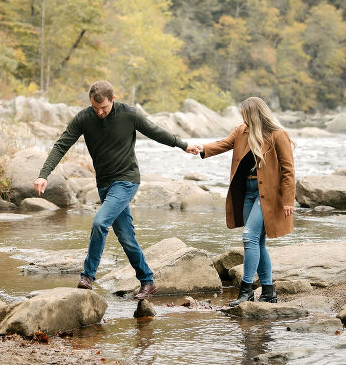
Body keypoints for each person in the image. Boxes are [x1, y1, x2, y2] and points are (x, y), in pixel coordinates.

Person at [33, 81, 199, 299]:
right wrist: (43, 174)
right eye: (95, 108)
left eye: (104, 107)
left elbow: (155, 132)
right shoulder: (84, 118)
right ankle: (147, 281)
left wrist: (182, 144)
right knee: (126, 238)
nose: (100, 112)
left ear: (113, 98)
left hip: (126, 181)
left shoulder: (129, 114)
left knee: (100, 222)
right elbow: (62, 144)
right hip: (104, 184)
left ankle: (88, 276)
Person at [192, 96, 295, 306]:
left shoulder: (277, 135)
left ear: (256, 115)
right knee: (258, 242)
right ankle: (268, 292)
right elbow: (223, 144)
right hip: (246, 192)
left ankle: (246, 290)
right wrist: (201, 148)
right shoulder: (241, 132)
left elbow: (288, 170)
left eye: (245, 115)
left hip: (266, 195)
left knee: (249, 238)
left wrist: (288, 200)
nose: (243, 120)